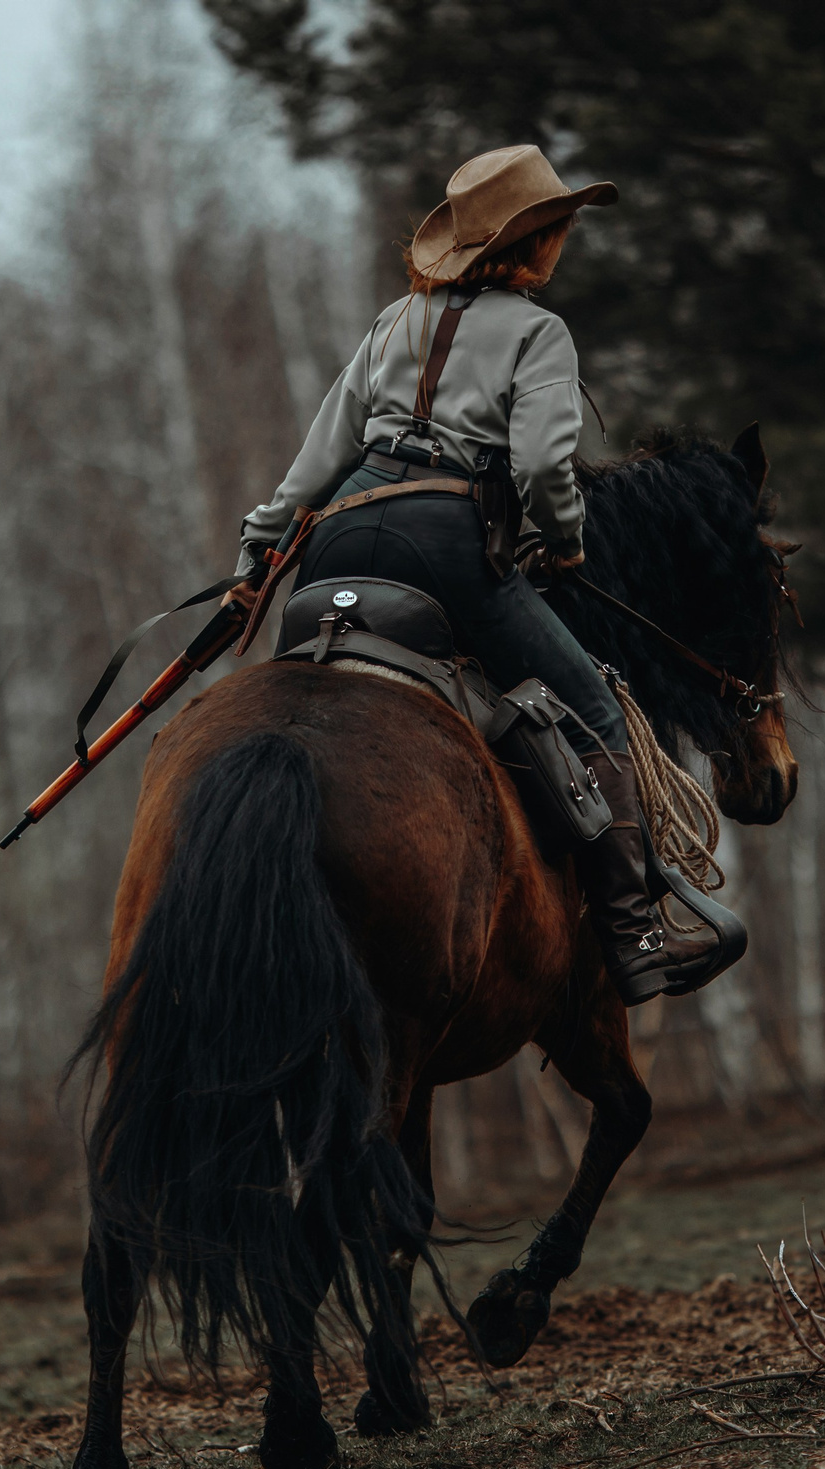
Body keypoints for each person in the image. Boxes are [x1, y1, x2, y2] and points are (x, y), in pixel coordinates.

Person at [238, 145, 714, 1005]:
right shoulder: (540, 333)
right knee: (597, 714)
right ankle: (636, 937)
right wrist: (565, 538)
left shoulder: (391, 324)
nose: (564, 242)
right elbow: (539, 465)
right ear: (534, 243)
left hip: (337, 541)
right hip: (446, 543)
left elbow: (311, 467)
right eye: (559, 228)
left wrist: (254, 553)